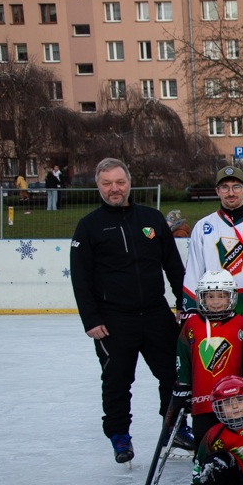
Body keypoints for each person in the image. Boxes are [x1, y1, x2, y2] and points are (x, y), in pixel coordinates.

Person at [70, 157, 186, 464]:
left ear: (129, 183)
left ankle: (173, 426)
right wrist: (91, 320)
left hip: (155, 314)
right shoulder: (89, 226)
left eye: (119, 182)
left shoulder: (150, 218)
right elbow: (80, 278)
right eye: (107, 184)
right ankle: (120, 436)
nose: (114, 189)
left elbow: (173, 266)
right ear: (98, 186)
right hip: (113, 320)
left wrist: (182, 304)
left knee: (175, 374)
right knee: (117, 380)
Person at [169, 271, 243, 447]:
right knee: (203, 442)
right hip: (201, 400)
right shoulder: (191, 325)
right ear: (201, 298)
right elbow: (182, 359)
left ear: (231, 297)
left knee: (234, 442)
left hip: (235, 401)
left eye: (221, 296)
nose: (215, 301)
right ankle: (202, 471)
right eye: (209, 296)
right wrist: (183, 385)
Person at [183, 166, 243, 318]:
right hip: (215, 304)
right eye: (225, 187)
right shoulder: (203, 227)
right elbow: (194, 270)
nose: (231, 193)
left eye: (236, 187)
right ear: (217, 191)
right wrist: (190, 309)